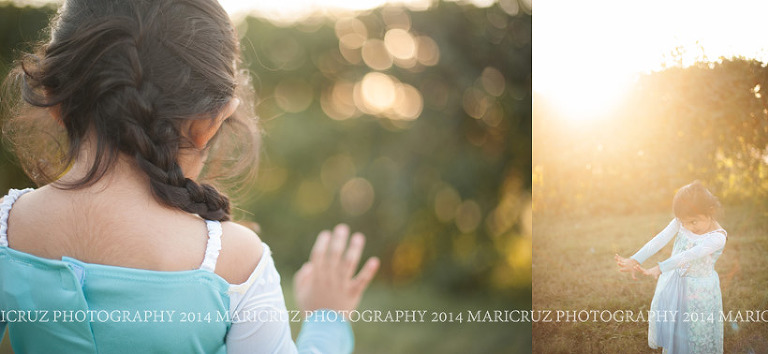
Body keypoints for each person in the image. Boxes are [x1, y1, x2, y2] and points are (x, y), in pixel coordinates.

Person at [0, 0, 379, 352]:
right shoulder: (236, 261)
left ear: (54, 98)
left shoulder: (8, 226)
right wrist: (328, 319)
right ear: (211, 122)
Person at [614, 181, 726, 353]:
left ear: (710, 212)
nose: (688, 227)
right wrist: (635, 259)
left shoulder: (717, 238)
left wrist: (660, 268)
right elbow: (659, 239)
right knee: (675, 324)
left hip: (699, 291)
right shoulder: (682, 221)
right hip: (675, 283)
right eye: (684, 222)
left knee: (695, 328)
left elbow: (688, 255)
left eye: (693, 222)